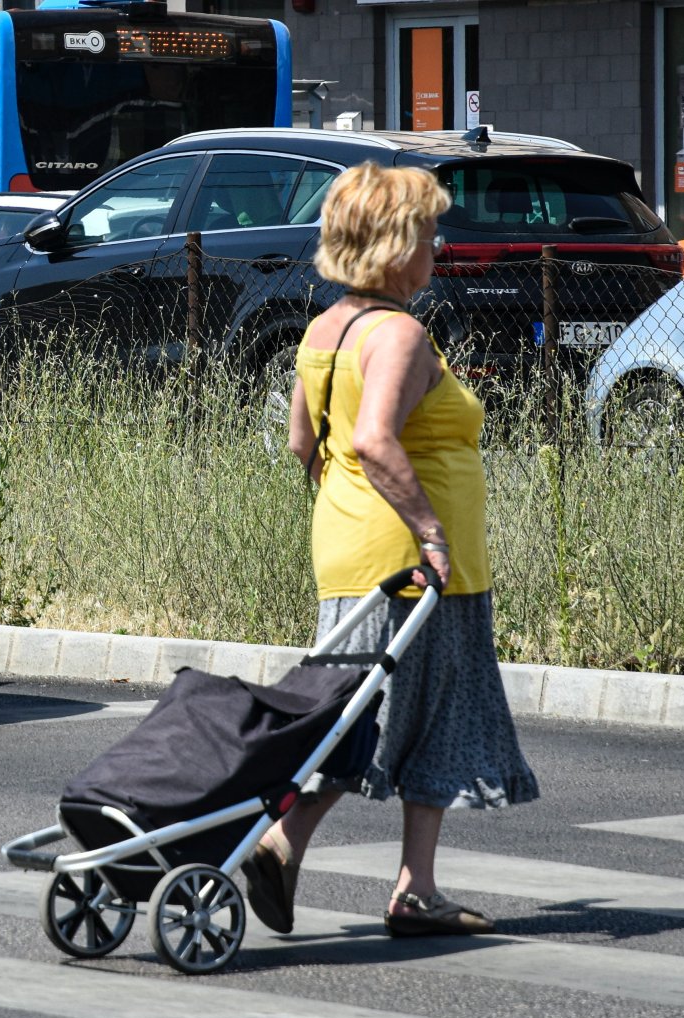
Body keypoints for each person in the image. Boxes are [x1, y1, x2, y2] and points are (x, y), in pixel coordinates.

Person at [256, 162, 539, 938]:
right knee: (380, 722)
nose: (437, 249)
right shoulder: (401, 334)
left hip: (352, 551)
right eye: (425, 234)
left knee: (382, 716)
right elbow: (376, 440)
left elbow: (301, 442)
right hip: (415, 565)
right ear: (388, 245)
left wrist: (353, 503)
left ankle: (416, 887)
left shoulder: (326, 328)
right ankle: (282, 841)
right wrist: (430, 530)